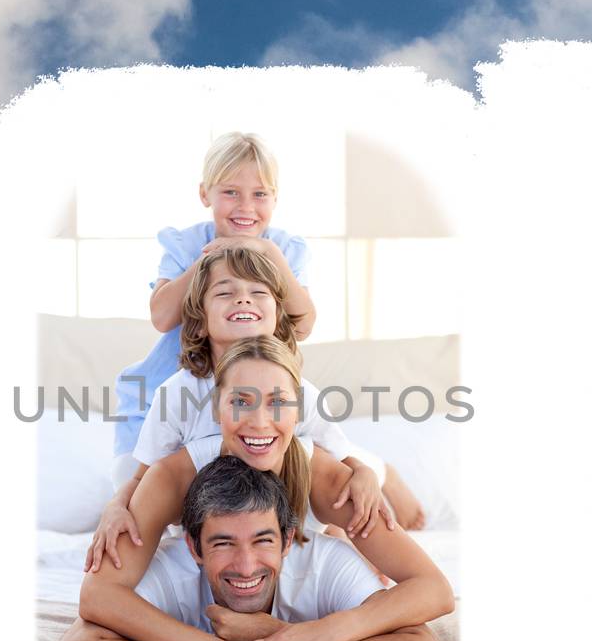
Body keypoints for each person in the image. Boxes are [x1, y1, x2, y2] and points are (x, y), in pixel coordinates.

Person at [66, 336, 455, 641]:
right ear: (216, 409)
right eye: (240, 402)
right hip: (211, 561)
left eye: (278, 403)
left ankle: (381, 473)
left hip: (314, 521)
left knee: (352, 499)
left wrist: (318, 634)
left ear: (299, 412)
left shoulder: (324, 477)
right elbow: (100, 596)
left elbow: (433, 589)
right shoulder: (173, 476)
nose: (259, 422)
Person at [86, 244, 396, 572]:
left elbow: (343, 462)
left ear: (277, 319)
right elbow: (142, 478)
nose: (243, 299)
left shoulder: (299, 392)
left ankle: (348, 521)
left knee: (358, 549)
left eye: (257, 291)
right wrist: (115, 506)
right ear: (200, 322)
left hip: (288, 529)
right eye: (225, 293)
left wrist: (365, 474)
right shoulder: (177, 394)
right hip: (212, 532)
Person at [45, 455, 457, 641]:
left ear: (287, 539)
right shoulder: (168, 566)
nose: (245, 566)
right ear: (194, 547)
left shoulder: (325, 562)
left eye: (263, 541)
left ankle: (383, 469)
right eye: (222, 543)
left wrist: (269, 633)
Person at [110, 132, 315, 472]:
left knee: (302, 467)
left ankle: (381, 476)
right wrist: (209, 260)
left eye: (259, 194)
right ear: (205, 194)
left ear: (275, 198)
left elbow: (304, 324)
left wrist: (268, 252)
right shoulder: (186, 243)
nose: (246, 206)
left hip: (246, 402)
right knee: (132, 480)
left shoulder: (284, 249)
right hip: (171, 397)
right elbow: (162, 317)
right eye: (231, 192)